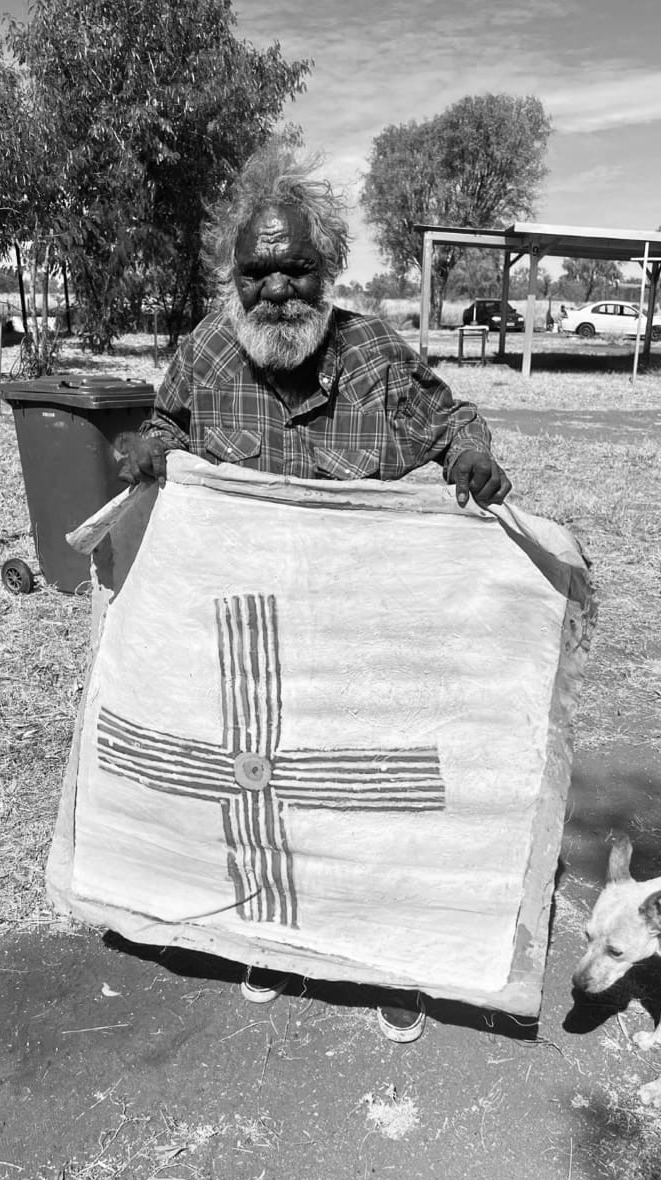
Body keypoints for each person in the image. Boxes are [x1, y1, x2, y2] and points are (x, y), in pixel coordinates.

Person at [116, 145, 511, 1045]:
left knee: (366, 801)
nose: (279, 289)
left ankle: (381, 958)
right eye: (258, 270)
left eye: (297, 266)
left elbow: (451, 422)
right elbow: (166, 422)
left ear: (327, 268)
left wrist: (471, 458)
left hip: (358, 643)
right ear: (234, 276)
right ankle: (269, 935)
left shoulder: (372, 352)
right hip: (245, 640)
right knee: (261, 797)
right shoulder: (206, 353)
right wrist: (149, 448)